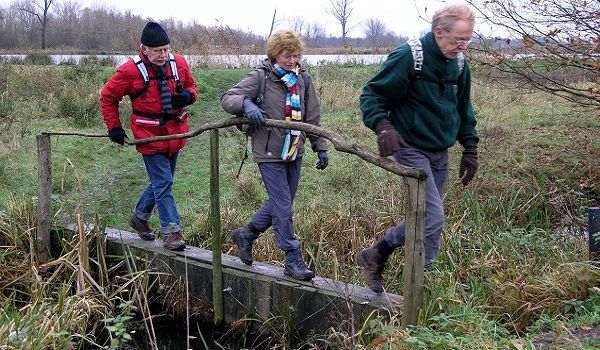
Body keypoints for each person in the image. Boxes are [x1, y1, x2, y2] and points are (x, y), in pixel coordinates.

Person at [357, 3, 479, 292]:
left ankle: (421, 282)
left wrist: (470, 148)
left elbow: (464, 108)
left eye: (468, 39)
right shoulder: (410, 56)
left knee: (426, 220)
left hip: (440, 149)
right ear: (439, 32)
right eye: (458, 40)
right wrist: (383, 126)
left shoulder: (460, 64)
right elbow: (371, 95)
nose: (462, 46)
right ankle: (382, 254)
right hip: (410, 147)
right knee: (432, 216)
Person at [220, 29, 329, 281]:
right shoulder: (261, 77)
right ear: (274, 54)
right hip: (269, 150)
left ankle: (246, 234)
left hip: (294, 149)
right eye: (286, 55)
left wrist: (320, 146)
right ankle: (292, 257)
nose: (292, 61)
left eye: (296, 55)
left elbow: (312, 116)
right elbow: (228, 98)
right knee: (282, 203)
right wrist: (247, 104)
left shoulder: (303, 79)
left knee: (283, 203)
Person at [100, 21, 197, 251]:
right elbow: (107, 96)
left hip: (176, 135)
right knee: (163, 183)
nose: (163, 54)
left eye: (166, 49)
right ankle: (172, 231)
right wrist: (114, 127)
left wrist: (188, 97)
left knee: (162, 182)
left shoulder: (179, 63)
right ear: (144, 49)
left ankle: (139, 217)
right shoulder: (130, 71)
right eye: (157, 51)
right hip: (149, 136)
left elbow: (192, 87)